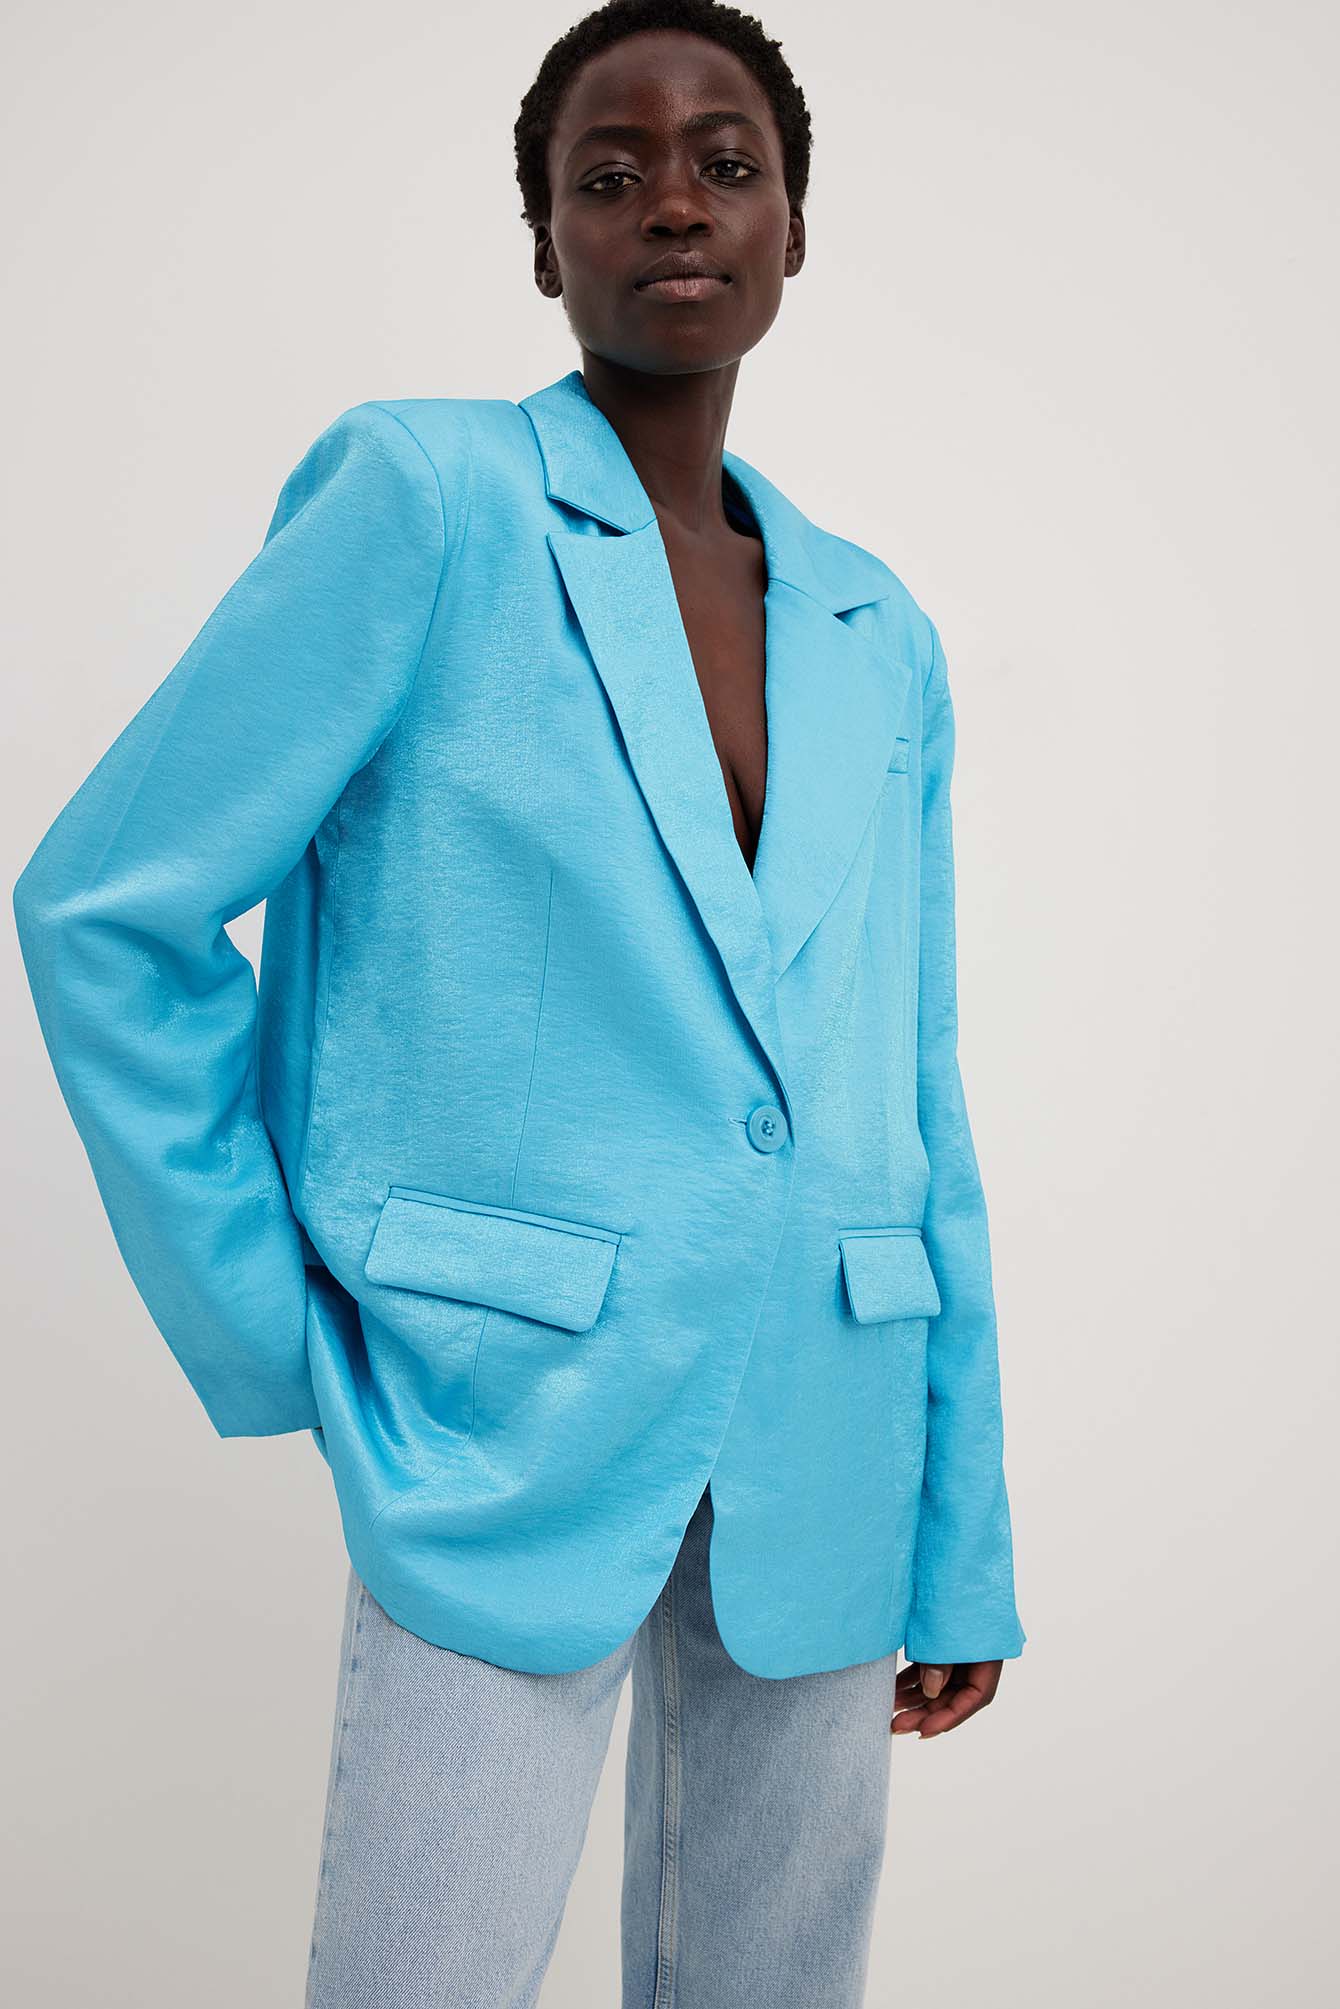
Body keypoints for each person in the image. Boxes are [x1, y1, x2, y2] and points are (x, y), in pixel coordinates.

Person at [11, 1, 1027, 2002]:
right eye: (609, 171)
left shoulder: (874, 626)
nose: (675, 205)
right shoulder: (429, 499)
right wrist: (281, 1320)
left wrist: (956, 1520)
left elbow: (910, 1089)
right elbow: (109, 908)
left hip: (829, 1430)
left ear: (795, 226)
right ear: (545, 241)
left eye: (727, 164)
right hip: (492, 1412)